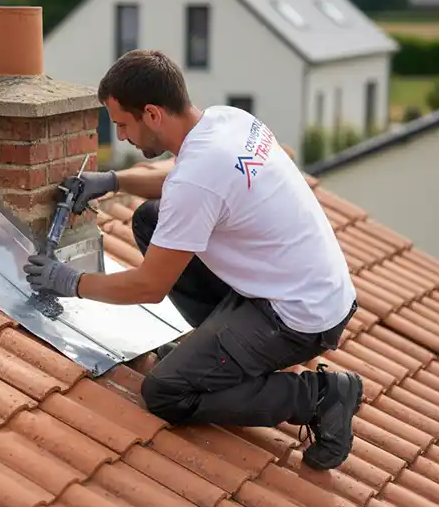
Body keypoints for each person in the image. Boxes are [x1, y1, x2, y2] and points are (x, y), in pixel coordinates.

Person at [23, 49, 363, 471]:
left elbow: (149, 286)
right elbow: (185, 179)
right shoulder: (226, 121)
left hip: (297, 318)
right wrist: (114, 181)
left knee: (166, 392)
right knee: (151, 218)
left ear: (151, 114)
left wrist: (68, 280)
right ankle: (216, 347)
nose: (122, 137)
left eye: (123, 124)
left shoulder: (199, 178)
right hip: (308, 287)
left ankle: (321, 396)